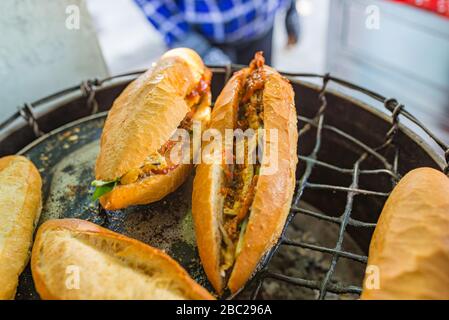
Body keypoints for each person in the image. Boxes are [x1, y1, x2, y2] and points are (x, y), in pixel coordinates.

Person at [134, 0, 300, 65]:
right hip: (202, 38)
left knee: (258, 103)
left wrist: (291, 9)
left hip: (261, 30)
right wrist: (193, 44)